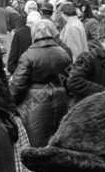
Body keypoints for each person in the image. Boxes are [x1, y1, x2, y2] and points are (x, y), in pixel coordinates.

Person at [9, 19, 71, 147]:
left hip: (35, 102)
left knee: (36, 144)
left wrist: (11, 106)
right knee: (57, 143)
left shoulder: (28, 55)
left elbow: (17, 85)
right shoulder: (64, 52)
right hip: (60, 100)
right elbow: (69, 78)